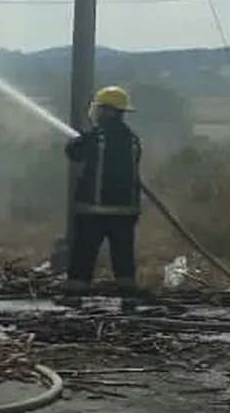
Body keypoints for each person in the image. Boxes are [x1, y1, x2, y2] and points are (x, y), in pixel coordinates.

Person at [61, 85, 143, 308]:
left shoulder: (97, 138)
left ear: (107, 111)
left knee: (83, 253)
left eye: (100, 109)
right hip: (126, 212)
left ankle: (75, 295)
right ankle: (128, 296)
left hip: (93, 211)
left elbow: (74, 153)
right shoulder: (133, 140)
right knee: (123, 255)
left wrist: (75, 140)